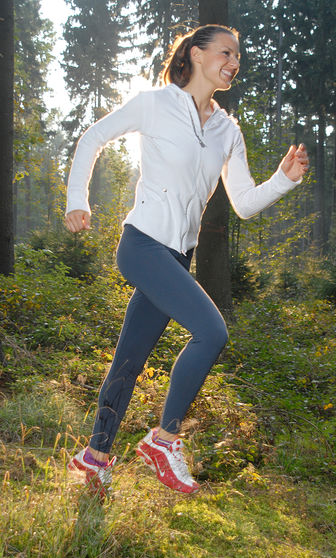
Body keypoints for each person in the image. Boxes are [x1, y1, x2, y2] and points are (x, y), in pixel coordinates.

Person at [65, 24, 309, 497]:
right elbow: (92, 138)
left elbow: (243, 203)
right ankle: (164, 439)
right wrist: (79, 199)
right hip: (142, 244)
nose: (234, 63)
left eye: (238, 57)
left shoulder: (227, 130)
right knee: (212, 332)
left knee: (128, 360)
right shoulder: (155, 103)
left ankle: (94, 457)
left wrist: (284, 180)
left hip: (178, 257)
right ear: (196, 54)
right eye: (226, 53)